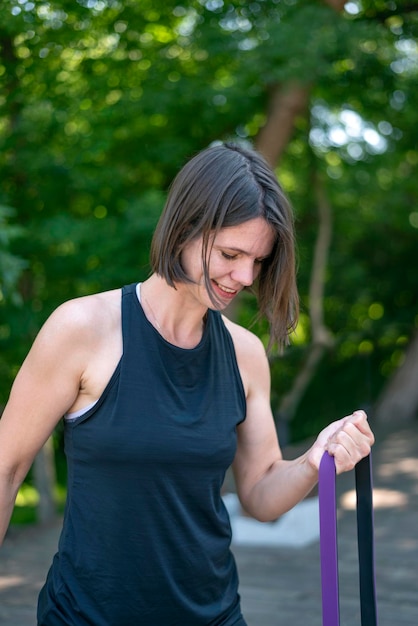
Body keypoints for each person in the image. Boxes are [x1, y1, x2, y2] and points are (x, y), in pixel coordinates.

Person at [0, 142, 374, 626]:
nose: (243, 276)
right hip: (86, 616)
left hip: (213, 615)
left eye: (258, 261)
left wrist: (313, 460)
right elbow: (7, 469)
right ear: (184, 228)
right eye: (230, 253)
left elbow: (259, 494)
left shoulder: (244, 354)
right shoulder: (82, 329)